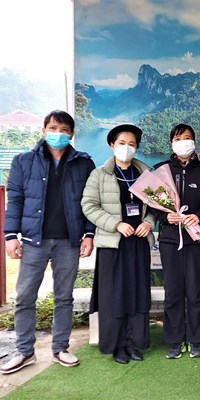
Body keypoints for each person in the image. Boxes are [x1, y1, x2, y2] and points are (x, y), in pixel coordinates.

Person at [1, 110, 95, 374]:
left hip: (69, 241)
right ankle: (24, 351)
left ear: (71, 134)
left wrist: (88, 234)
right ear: (43, 131)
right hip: (34, 240)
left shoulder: (83, 163)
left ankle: (60, 348)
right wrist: (10, 235)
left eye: (64, 130)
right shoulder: (24, 161)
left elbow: (90, 202)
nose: (58, 134)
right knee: (24, 297)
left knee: (64, 297)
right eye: (53, 128)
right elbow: (15, 199)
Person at [81, 124, 155, 364]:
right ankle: (117, 345)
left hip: (138, 242)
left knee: (137, 292)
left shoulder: (145, 173)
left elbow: (157, 206)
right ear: (112, 145)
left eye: (132, 144)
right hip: (113, 244)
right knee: (114, 294)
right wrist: (116, 224)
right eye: (122, 143)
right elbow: (88, 206)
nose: (127, 148)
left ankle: (135, 343)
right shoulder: (99, 174)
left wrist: (148, 223)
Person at [153, 124, 200, 359]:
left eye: (187, 138)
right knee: (173, 291)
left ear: (194, 141)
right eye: (178, 138)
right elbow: (151, 204)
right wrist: (164, 217)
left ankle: (197, 339)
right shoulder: (161, 170)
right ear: (171, 143)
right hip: (170, 240)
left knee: (195, 291)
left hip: (197, 240)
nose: (183, 142)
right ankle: (175, 340)